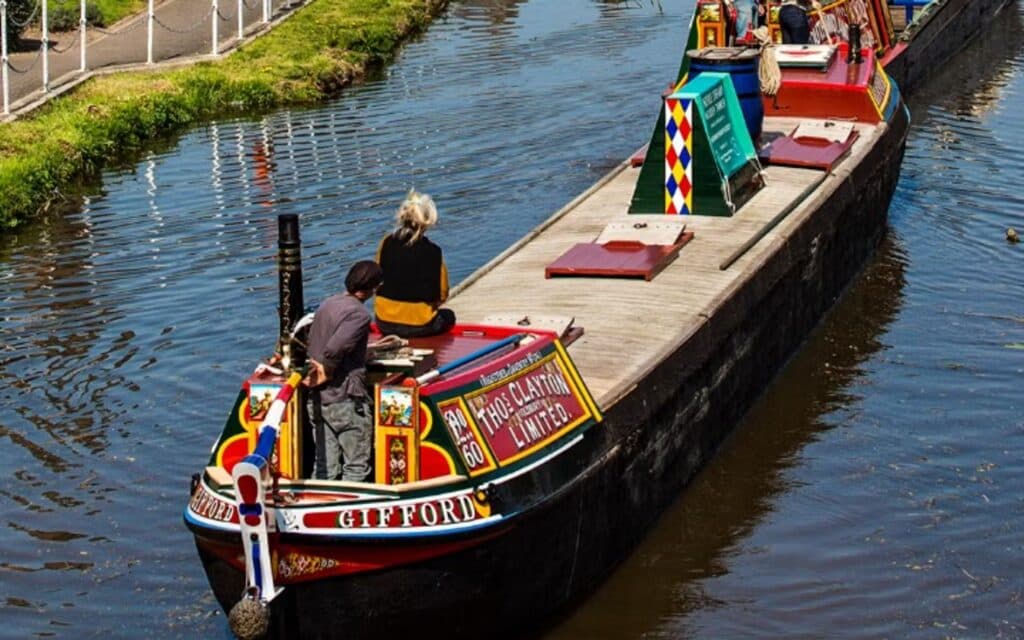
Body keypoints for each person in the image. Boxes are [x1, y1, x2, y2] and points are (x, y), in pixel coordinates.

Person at [304, 260, 383, 482]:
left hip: (319, 400)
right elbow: (334, 349)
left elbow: (320, 342)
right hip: (345, 399)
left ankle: (318, 508)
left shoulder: (328, 303)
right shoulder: (359, 315)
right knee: (356, 466)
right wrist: (327, 371)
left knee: (324, 466)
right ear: (374, 288)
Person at [374, 190, 456, 338]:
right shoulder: (434, 251)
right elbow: (442, 294)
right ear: (427, 221)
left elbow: (376, 278)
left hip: (384, 322)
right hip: (421, 325)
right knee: (449, 316)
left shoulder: (386, 243)